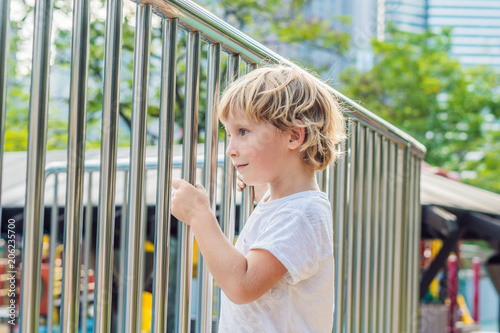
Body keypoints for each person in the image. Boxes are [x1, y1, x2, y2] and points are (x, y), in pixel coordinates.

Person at [171, 64, 345, 332]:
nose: (230, 149)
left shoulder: (299, 214)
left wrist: (199, 216)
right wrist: (265, 189)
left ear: (294, 136)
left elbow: (243, 285)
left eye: (243, 132)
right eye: (229, 134)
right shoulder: (288, 204)